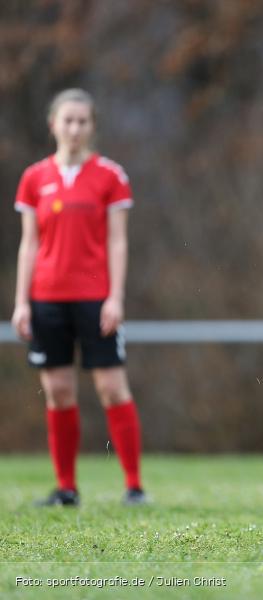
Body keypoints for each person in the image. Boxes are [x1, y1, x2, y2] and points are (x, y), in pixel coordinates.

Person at [11, 89, 146, 507]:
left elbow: (118, 241)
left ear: (92, 126)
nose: (74, 128)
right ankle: (66, 488)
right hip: (46, 298)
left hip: (95, 298)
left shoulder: (110, 176)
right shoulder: (34, 178)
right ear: (53, 124)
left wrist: (115, 297)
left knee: (112, 388)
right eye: (67, 120)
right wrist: (21, 302)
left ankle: (134, 487)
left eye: (82, 121)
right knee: (58, 391)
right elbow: (29, 244)